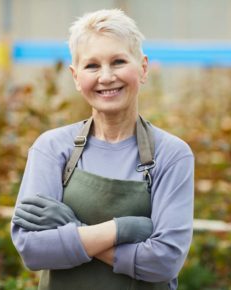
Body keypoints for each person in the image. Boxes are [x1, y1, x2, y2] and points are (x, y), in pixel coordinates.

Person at [11, 8, 194, 290]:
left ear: (143, 68)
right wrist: (124, 229)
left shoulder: (171, 154)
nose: (106, 77)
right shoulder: (52, 148)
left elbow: (164, 261)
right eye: (92, 66)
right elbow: (32, 249)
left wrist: (73, 229)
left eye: (118, 61)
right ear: (75, 76)